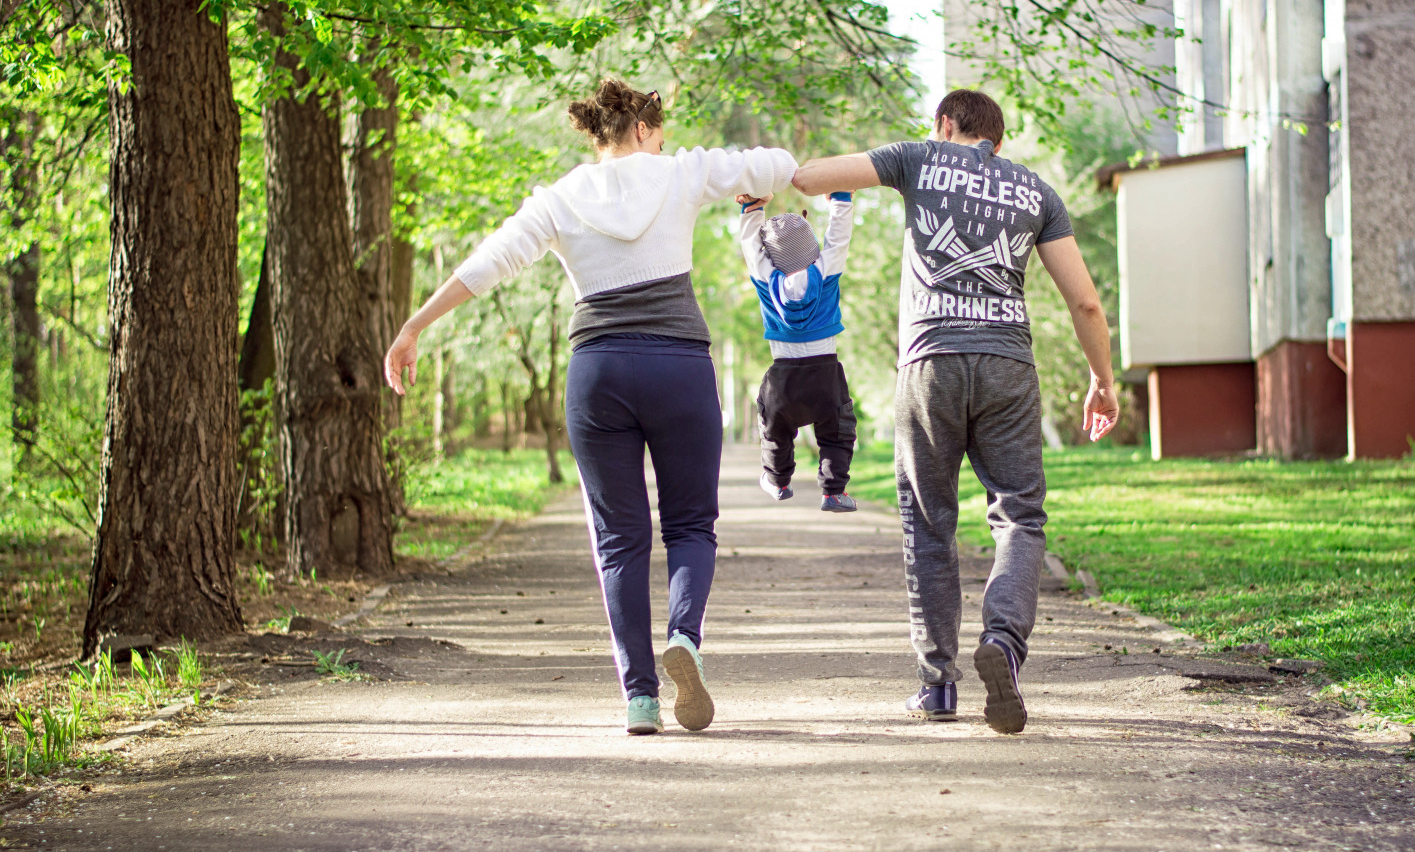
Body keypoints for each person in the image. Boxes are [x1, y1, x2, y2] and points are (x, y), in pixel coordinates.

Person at [384, 78, 797, 736]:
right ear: (642, 129)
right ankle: (684, 640)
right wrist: (761, 190)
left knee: (619, 542)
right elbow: (778, 164)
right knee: (690, 526)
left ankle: (639, 698)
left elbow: (489, 262)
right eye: (661, 134)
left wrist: (413, 326)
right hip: (679, 369)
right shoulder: (682, 172)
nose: (667, 144)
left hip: (599, 373)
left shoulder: (561, 198)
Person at [791, 89, 1119, 734]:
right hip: (1008, 369)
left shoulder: (920, 157)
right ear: (999, 140)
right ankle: (1003, 644)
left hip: (930, 364)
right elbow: (1085, 304)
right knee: (1020, 517)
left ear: (945, 124)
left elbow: (809, 178)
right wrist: (1102, 380)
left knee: (929, 520)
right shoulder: (1036, 192)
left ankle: (938, 687)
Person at [734, 190, 859, 511]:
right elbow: (839, 238)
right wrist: (841, 198)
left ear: (772, 256)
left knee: (774, 430)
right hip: (825, 373)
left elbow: (751, 247)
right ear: (812, 248)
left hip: (784, 375)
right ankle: (833, 492)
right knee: (837, 432)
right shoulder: (826, 270)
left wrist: (752, 209)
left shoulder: (766, 278)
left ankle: (777, 481)